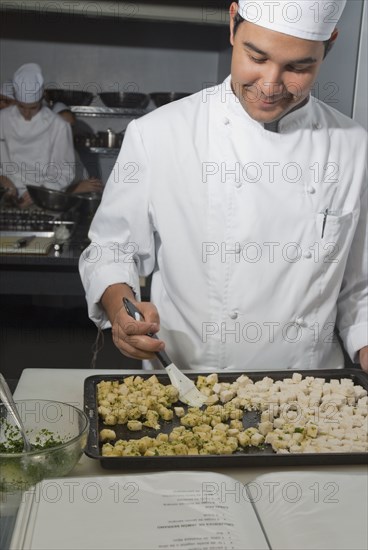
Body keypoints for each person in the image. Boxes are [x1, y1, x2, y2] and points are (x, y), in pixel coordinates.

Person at [79, 0, 368, 374]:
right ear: (233, 24)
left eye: (298, 66)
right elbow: (111, 249)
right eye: (256, 56)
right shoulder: (159, 134)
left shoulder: (353, 146)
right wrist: (122, 311)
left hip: (307, 392)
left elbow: (359, 284)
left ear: (329, 43)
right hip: (189, 384)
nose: (270, 85)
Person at [0, 63, 75, 208]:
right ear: (15, 98)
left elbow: (64, 172)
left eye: (33, 108)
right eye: (21, 106)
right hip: (5, 197)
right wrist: (2, 178)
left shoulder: (58, 126)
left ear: (41, 99)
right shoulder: (2, 119)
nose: (27, 113)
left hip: (42, 200)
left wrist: (41, 191)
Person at [52, 102, 103, 195]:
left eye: (72, 127)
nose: (69, 131)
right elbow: (40, 190)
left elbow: (83, 180)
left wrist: (92, 184)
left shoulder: (73, 153)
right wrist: (77, 188)